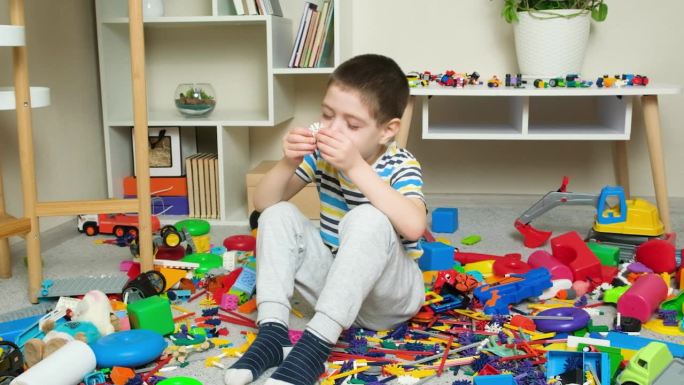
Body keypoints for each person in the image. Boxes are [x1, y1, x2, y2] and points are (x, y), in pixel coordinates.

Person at [225, 54, 427, 385]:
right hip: (335, 288)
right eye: (327, 115)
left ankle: (316, 345)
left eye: (352, 124)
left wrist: (356, 168)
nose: (333, 130)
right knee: (278, 214)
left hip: (388, 299)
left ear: (387, 131)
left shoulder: (400, 164)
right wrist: (289, 162)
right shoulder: (320, 156)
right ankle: (272, 332)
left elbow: (414, 226)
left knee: (368, 218)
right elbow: (264, 203)